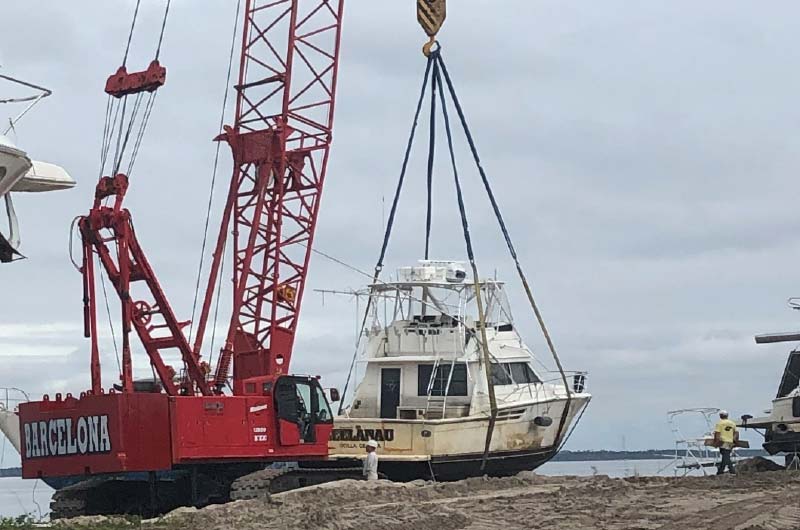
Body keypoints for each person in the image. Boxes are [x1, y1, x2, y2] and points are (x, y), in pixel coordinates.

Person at [714, 410, 738, 475]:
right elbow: (736, 433)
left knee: (725, 456)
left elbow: (717, 433)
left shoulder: (719, 423)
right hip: (730, 441)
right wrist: (735, 440)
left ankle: (730, 471)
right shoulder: (732, 423)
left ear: (720, 416)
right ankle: (721, 471)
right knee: (726, 456)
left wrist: (716, 442)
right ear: (727, 415)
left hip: (723, 441)